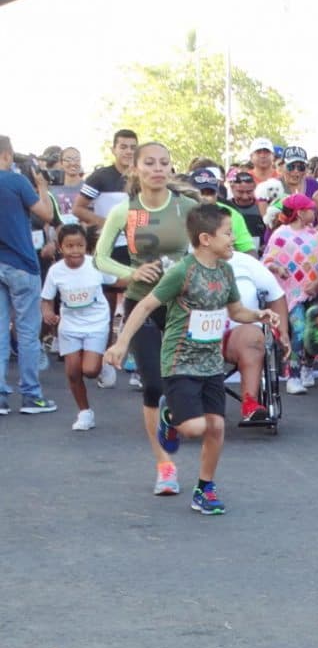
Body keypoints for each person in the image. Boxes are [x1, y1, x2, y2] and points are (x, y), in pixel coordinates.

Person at [105, 204, 278, 515]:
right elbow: (144, 306)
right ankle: (170, 418)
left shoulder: (226, 271)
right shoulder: (182, 272)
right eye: (227, 234)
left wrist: (260, 315)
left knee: (216, 427)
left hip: (210, 362)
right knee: (195, 428)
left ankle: (205, 489)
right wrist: (121, 343)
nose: (233, 240)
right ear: (205, 239)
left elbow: (236, 312)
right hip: (180, 360)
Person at [93, 141, 199, 495]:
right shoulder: (126, 211)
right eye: (150, 163)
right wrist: (131, 272)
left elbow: (209, 247)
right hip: (144, 306)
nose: (158, 168)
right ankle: (164, 466)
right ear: (135, 169)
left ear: (171, 168)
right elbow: (100, 258)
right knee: (153, 385)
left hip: (185, 307)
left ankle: (176, 423)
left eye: (164, 163)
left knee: (183, 387)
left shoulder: (188, 207)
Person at [0, 134, 60, 414]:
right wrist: (42, 186)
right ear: (7, 156)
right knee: (26, 332)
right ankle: (31, 395)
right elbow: (47, 214)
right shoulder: (16, 182)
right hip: (22, 264)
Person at [40, 224, 120, 430]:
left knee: (90, 370)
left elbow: (119, 280)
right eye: (69, 246)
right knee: (73, 372)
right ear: (60, 247)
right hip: (69, 326)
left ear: (87, 246)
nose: (75, 250)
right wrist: (48, 313)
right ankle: (84, 413)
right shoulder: (55, 271)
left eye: (80, 245)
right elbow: (46, 299)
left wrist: (140, 277)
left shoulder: (96, 264)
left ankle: (102, 365)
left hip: (96, 323)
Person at [262, 194, 318, 395]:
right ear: (300, 213)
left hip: (314, 291)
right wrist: (278, 269)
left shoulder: (315, 236)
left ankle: (308, 365)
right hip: (291, 293)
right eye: (310, 209)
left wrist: (317, 283)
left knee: (317, 332)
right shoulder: (280, 235)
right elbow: (267, 259)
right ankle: (292, 374)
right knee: (299, 331)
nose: (314, 212)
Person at [224, 246, 289, 421]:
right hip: (196, 333)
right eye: (226, 234)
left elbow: (276, 296)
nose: (232, 240)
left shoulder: (245, 262)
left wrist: (283, 333)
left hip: (236, 333)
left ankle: (250, 403)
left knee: (253, 336)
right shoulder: (185, 266)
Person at [189, 168, 256, 255]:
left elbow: (248, 250)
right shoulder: (179, 211)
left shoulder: (232, 215)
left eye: (210, 193)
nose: (205, 197)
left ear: (217, 194)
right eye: (201, 192)